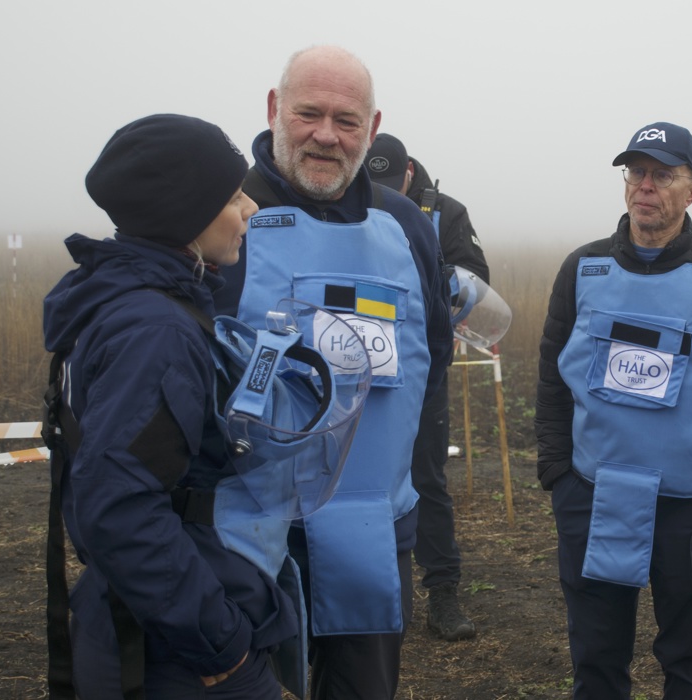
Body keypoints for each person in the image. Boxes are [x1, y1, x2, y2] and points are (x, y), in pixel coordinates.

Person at [214, 46, 453, 699]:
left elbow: (431, 357)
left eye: (346, 121)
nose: (326, 135)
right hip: (249, 535)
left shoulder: (405, 225)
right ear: (273, 110)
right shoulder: (224, 215)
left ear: (372, 130)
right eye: (309, 114)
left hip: (372, 529)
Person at [41, 114, 287, 697]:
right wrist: (221, 646)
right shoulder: (157, 330)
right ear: (186, 215)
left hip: (136, 618)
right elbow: (120, 507)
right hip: (171, 653)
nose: (250, 208)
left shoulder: (116, 299)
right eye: (232, 196)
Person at [535, 122, 692, 699]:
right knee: (596, 659)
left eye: (663, 175)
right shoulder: (583, 268)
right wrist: (558, 474)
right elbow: (552, 376)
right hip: (593, 493)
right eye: (637, 173)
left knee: (688, 658)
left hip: (687, 506)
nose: (646, 186)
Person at [364, 133, 487, 641]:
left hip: (421, 367)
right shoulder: (346, 200)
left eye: (392, 185)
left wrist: (438, 282)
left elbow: (477, 275)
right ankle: (370, 590)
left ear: (409, 173)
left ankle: (443, 594)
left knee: (427, 478)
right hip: (358, 363)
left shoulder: (447, 213)